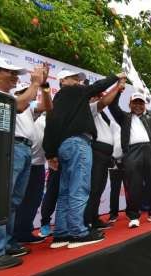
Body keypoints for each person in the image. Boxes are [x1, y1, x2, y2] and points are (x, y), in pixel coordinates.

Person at [43, 69, 124, 248]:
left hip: (63, 147)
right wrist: (116, 76)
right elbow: (98, 87)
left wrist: (50, 153)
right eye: (75, 79)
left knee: (65, 192)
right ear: (63, 81)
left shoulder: (57, 101)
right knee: (78, 189)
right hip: (78, 144)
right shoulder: (74, 91)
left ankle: (61, 234)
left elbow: (51, 125)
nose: (79, 82)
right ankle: (78, 232)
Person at [0, 57, 49, 269]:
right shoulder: (6, 98)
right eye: (10, 72)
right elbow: (18, 106)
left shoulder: (10, 98)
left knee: (12, 200)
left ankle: (6, 243)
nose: (15, 77)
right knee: (2, 199)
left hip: (22, 151)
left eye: (17, 74)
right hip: (8, 148)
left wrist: (42, 85)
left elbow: (45, 106)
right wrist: (35, 83)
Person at [108, 83, 151, 228]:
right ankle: (134, 216)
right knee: (134, 185)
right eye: (135, 102)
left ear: (144, 105)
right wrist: (119, 90)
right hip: (132, 153)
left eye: (141, 103)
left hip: (150, 151)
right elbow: (112, 107)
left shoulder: (150, 118)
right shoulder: (124, 117)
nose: (138, 105)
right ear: (130, 104)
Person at [14, 81, 52, 244]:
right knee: (15, 200)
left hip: (37, 163)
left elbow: (47, 105)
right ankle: (12, 236)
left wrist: (44, 87)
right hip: (18, 157)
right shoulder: (12, 105)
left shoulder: (31, 109)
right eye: (22, 91)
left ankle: (24, 232)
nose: (27, 94)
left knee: (33, 200)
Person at [84, 79, 126, 229]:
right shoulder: (89, 109)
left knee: (99, 188)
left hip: (106, 156)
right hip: (95, 151)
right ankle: (88, 220)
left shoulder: (104, 116)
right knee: (94, 187)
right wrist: (117, 87)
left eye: (100, 96)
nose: (99, 99)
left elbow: (117, 130)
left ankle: (94, 218)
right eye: (96, 96)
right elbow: (104, 103)